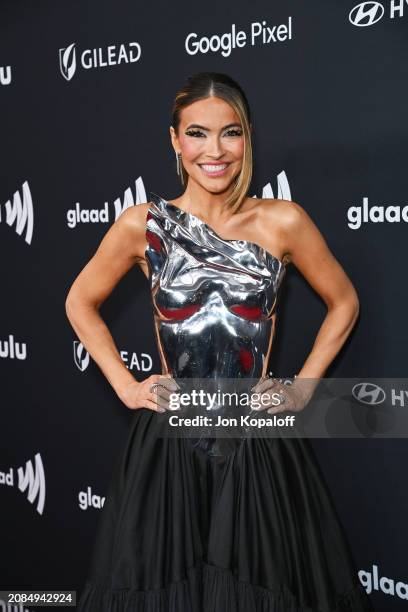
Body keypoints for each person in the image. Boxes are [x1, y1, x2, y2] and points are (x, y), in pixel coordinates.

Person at [67, 72, 373, 611]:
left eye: (229, 133)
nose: (215, 151)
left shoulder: (283, 221)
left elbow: (344, 302)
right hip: (170, 448)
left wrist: (302, 391)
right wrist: (125, 386)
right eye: (197, 133)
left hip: (255, 446)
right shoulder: (144, 225)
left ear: (247, 137)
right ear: (174, 140)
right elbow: (79, 301)